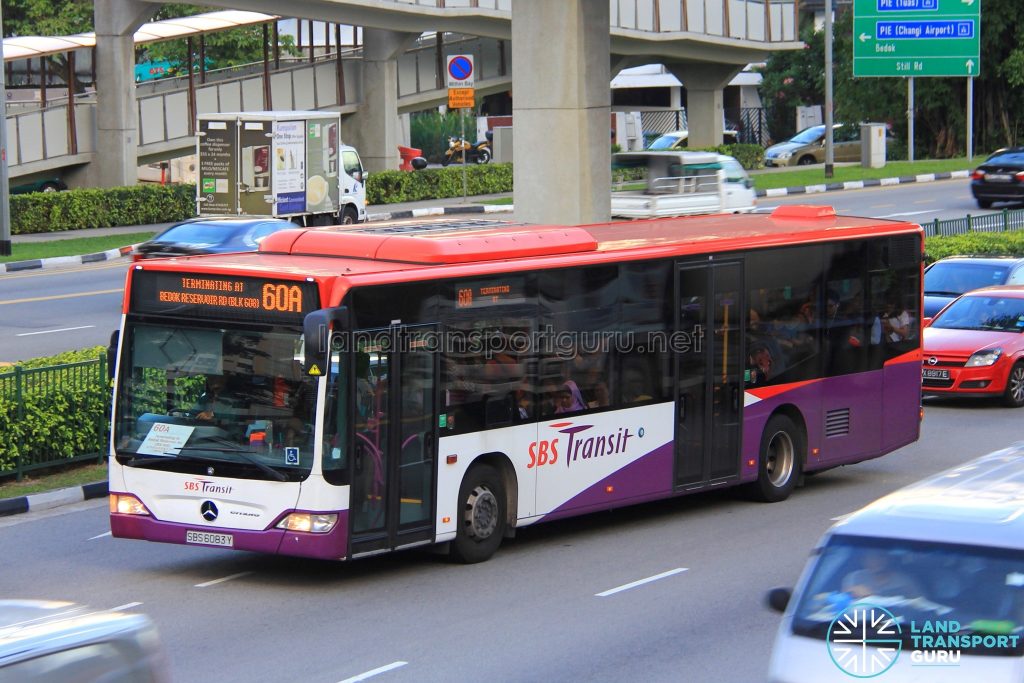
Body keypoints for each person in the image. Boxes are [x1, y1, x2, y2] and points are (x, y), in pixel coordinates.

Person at [841, 550, 923, 599]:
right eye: (871, 558)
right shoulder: (854, 578)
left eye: (880, 556)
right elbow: (842, 604)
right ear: (863, 561)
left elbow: (921, 605)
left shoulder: (904, 582)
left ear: (888, 559)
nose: (875, 561)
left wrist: (871, 596)